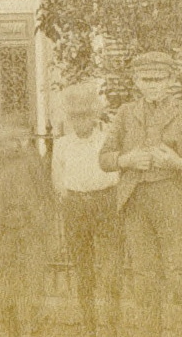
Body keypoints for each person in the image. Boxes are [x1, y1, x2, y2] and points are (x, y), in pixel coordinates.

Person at [99, 52, 182, 337]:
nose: (152, 86)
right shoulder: (125, 113)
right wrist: (127, 160)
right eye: (146, 80)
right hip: (135, 200)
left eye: (159, 80)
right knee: (144, 276)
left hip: (172, 196)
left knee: (179, 273)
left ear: (171, 81)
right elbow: (104, 158)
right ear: (136, 81)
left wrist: (180, 162)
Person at [0, 115, 56, 337]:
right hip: (2, 230)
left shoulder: (32, 160)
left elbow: (45, 192)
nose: (11, 144)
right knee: (5, 286)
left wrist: (42, 223)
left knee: (33, 285)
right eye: (5, 139)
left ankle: (34, 331)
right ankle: (12, 331)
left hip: (30, 229)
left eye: (16, 139)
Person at [53, 79, 122, 337]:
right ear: (68, 118)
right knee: (83, 270)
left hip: (105, 205)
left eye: (84, 116)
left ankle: (112, 326)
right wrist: (73, 202)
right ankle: (89, 326)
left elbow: (118, 173)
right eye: (74, 117)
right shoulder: (62, 145)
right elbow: (58, 181)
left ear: (94, 115)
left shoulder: (106, 140)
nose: (80, 122)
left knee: (110, 269)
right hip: (76, 208)